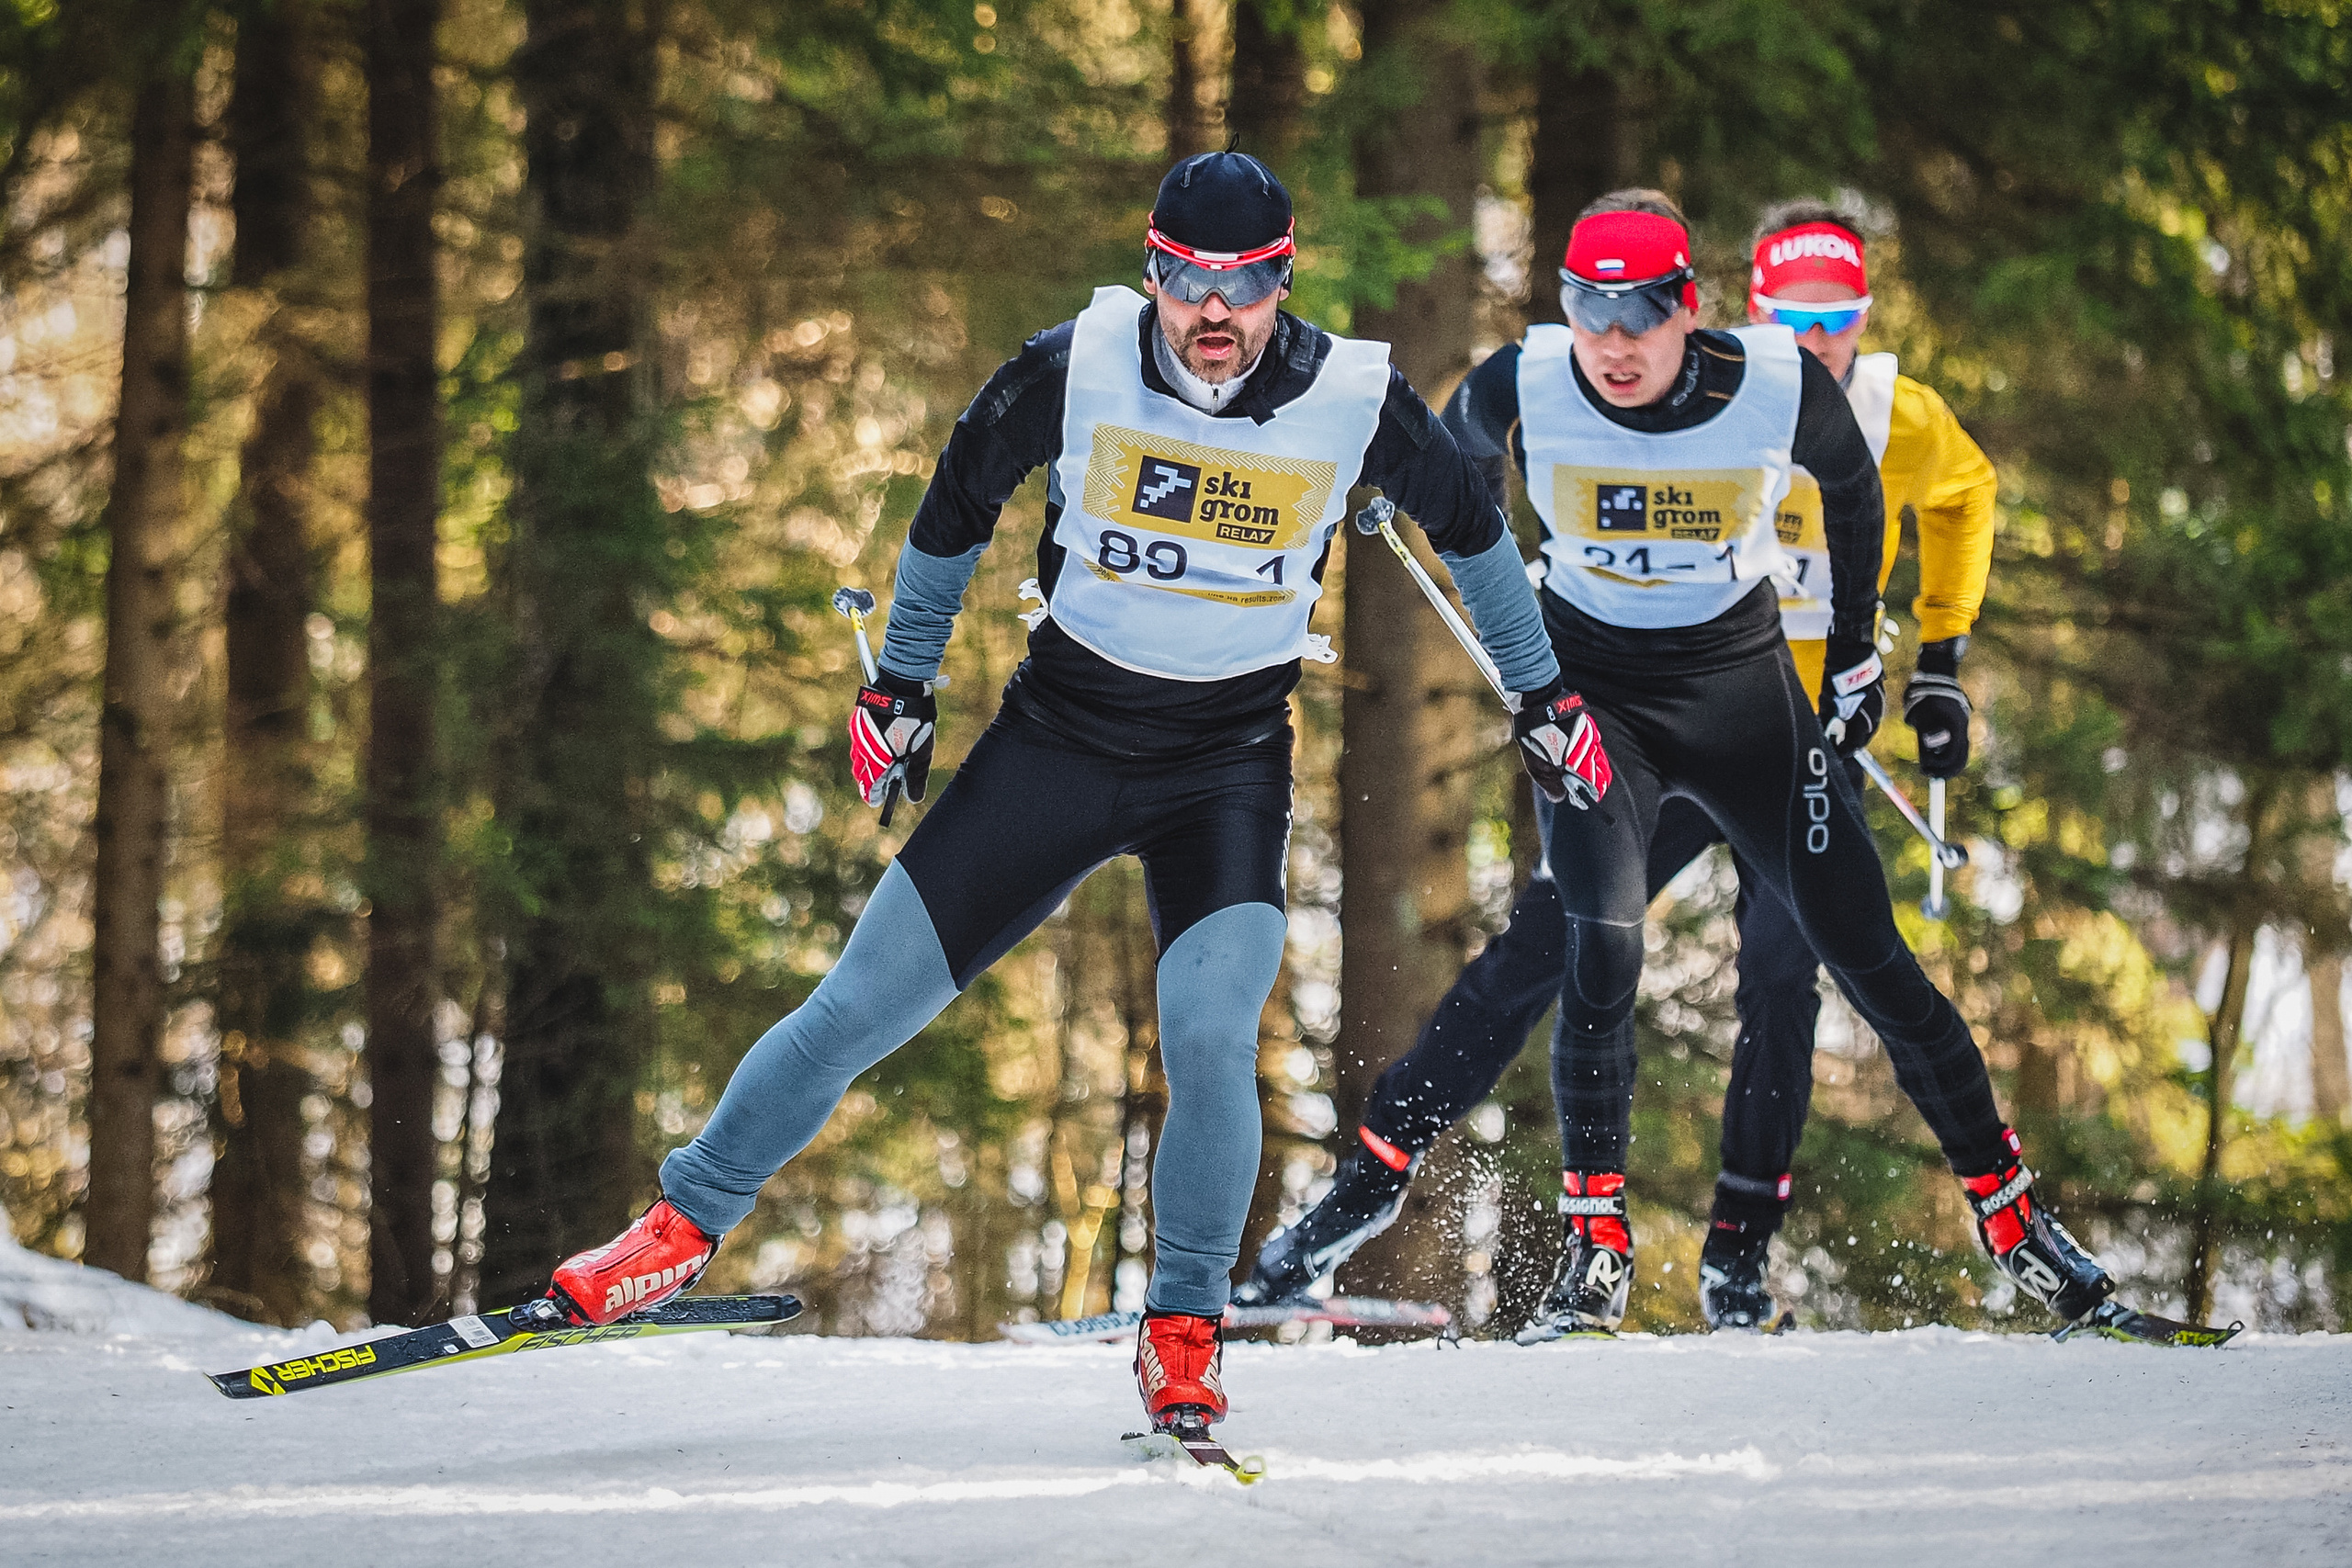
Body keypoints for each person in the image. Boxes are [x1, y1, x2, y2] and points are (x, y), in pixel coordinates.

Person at [537, 152, 1609, 1438]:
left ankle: (1184, 1332)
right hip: (1058, 740)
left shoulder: (1353, 398)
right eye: (1185, 279)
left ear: (1283, 280)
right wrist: (904, 684)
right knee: (859, 1003)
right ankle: (675, 1226)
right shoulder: (1076, 363)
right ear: (1150, 268)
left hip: (1224, 766)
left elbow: (1478, 535)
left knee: (1211, 1036)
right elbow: (956, 501)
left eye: (1247, 282)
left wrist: (1545, 696)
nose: (1214, 312)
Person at [1240, 190, 2111, 1341]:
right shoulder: (1543, 377)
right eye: (1589, 310)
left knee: (1835, 965)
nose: (1613, 338)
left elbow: (1899, 499)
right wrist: (1479, 574)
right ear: (1752, 303)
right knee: (1571, 951)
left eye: (1840, 312)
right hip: (1610, 712)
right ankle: (1447, 1211)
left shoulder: (1832, 398)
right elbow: (1452, 456)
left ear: (1693, 313)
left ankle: (1896, 1240)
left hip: (1762, 714)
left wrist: (1895, 661)